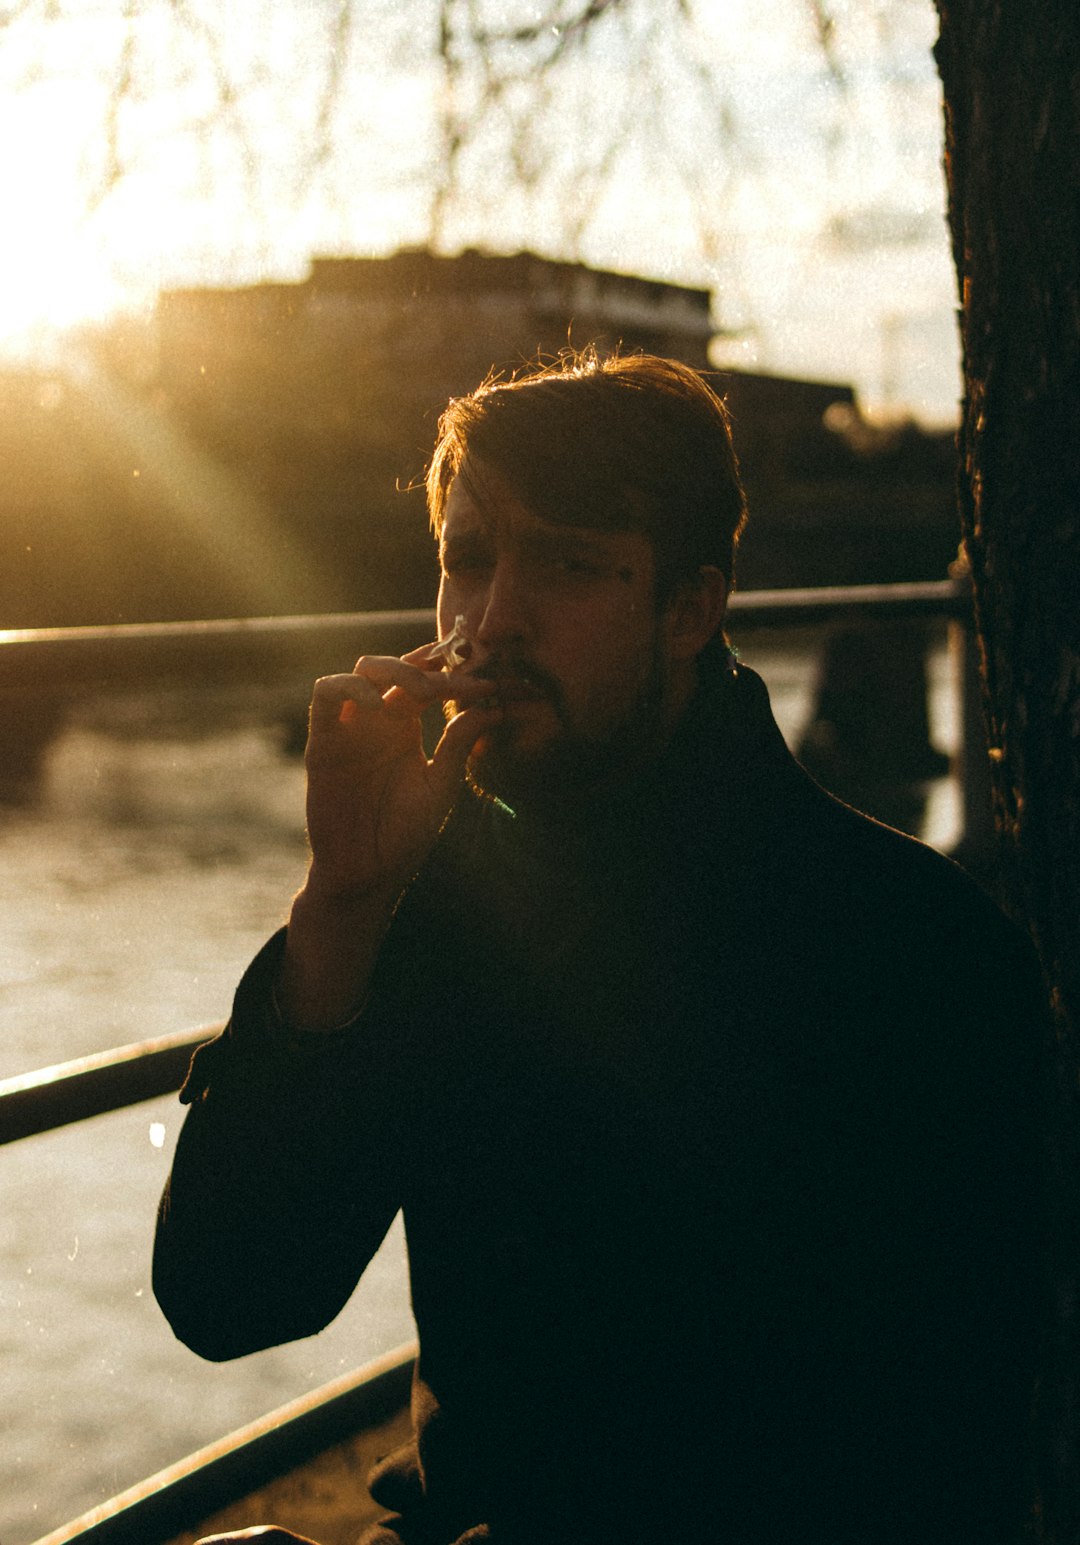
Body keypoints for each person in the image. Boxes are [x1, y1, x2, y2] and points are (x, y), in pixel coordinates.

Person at [154, 351, 1045, 1545]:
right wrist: (341, 910)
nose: (491, 620)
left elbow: (934, 1458)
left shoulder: (914, 954)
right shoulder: (435, 898)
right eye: (466, 560)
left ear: (693, 608)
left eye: (571, 564)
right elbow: (231, 1297)